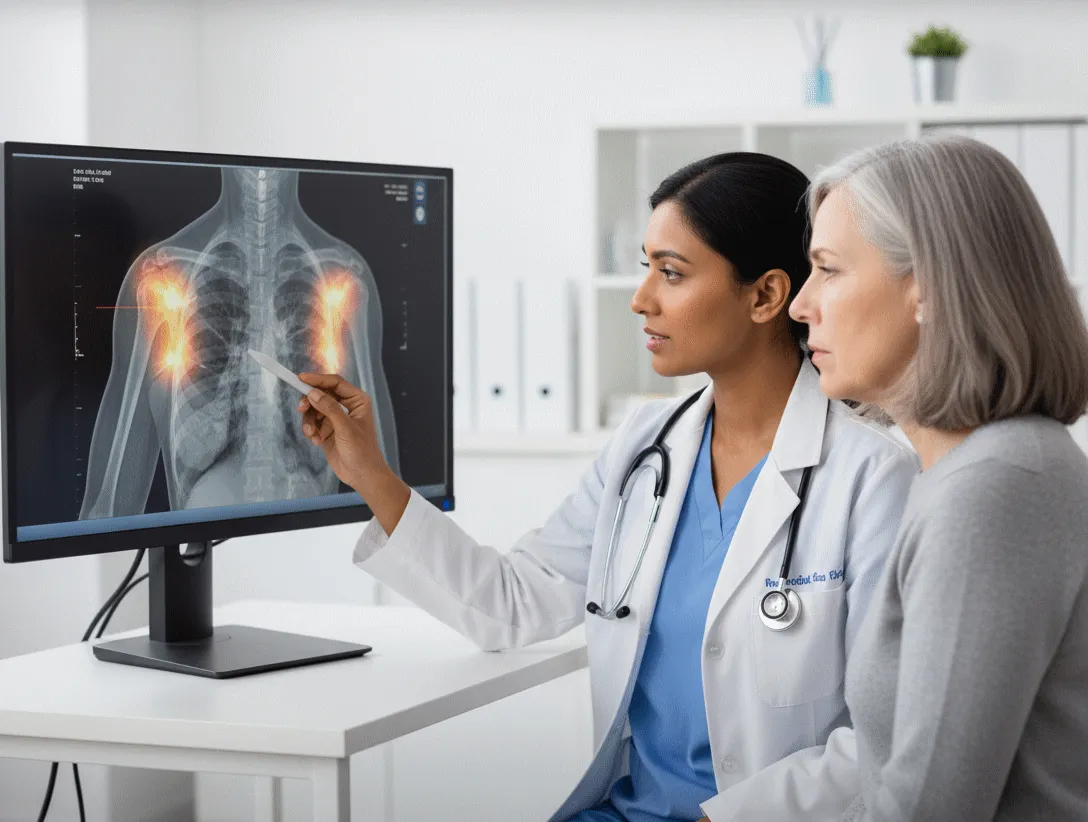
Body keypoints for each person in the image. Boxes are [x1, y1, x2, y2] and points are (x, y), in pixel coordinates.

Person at [296, 153, 918, 821]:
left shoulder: (874, 477)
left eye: (671, 273)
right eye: (646, 265)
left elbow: (888, 739)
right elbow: (512, 603)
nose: (641, 297)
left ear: (765, 295)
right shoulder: (645, 445)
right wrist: (371, 473)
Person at [789, 133, 1088, 821]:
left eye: (828, 270)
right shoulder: (969, 474)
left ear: (925, 287)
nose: (801, 305)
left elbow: (928, 809)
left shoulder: (997, 487)